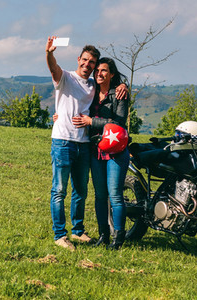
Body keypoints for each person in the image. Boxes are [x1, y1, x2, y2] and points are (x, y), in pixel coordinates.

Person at [45, 36, 99, 251]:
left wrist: (122, 84)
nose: (87, 65)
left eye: (91, 62)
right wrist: (49, 53)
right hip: (63, 142)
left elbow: (110, 83)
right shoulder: (65, 77)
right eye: (84, 60)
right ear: (78, 59)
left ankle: (77, 231)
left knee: (80, 191)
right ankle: (60, 235)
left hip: (83, 143)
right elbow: (53, 68)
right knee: (59, 190)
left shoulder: (94, 84)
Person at [74, 57, 130, 250]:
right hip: (95, 150)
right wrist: (60, 115)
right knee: (99, 195)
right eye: (97, 70)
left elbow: (118, 123)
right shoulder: (91, 91)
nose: (99, 73)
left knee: (115, 195)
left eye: (104, 70)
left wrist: (92, 122)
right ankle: (103, 235)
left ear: (111, 74)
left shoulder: (119, 94)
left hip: (116, 151)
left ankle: (118, 238)